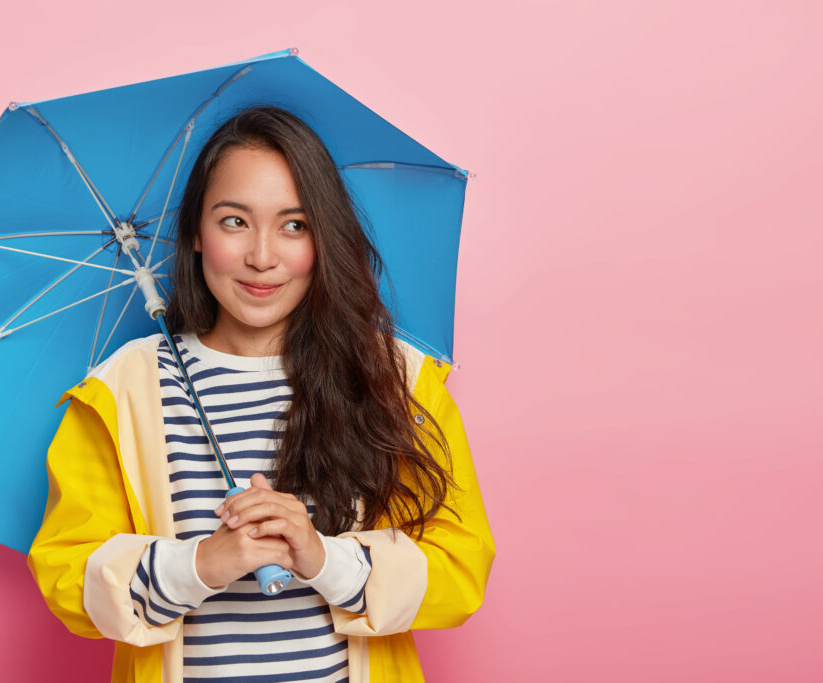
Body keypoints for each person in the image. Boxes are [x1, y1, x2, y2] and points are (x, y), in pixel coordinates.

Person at [28, 106, 494, 683]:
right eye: (234, 221)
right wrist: (201, 564)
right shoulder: (121, 390)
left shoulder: (393, 377)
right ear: (197, 234)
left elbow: (459, 564)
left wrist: (324, 560)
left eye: (294, 225)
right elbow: (69, 573)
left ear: (323, 239)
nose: (263, 257)